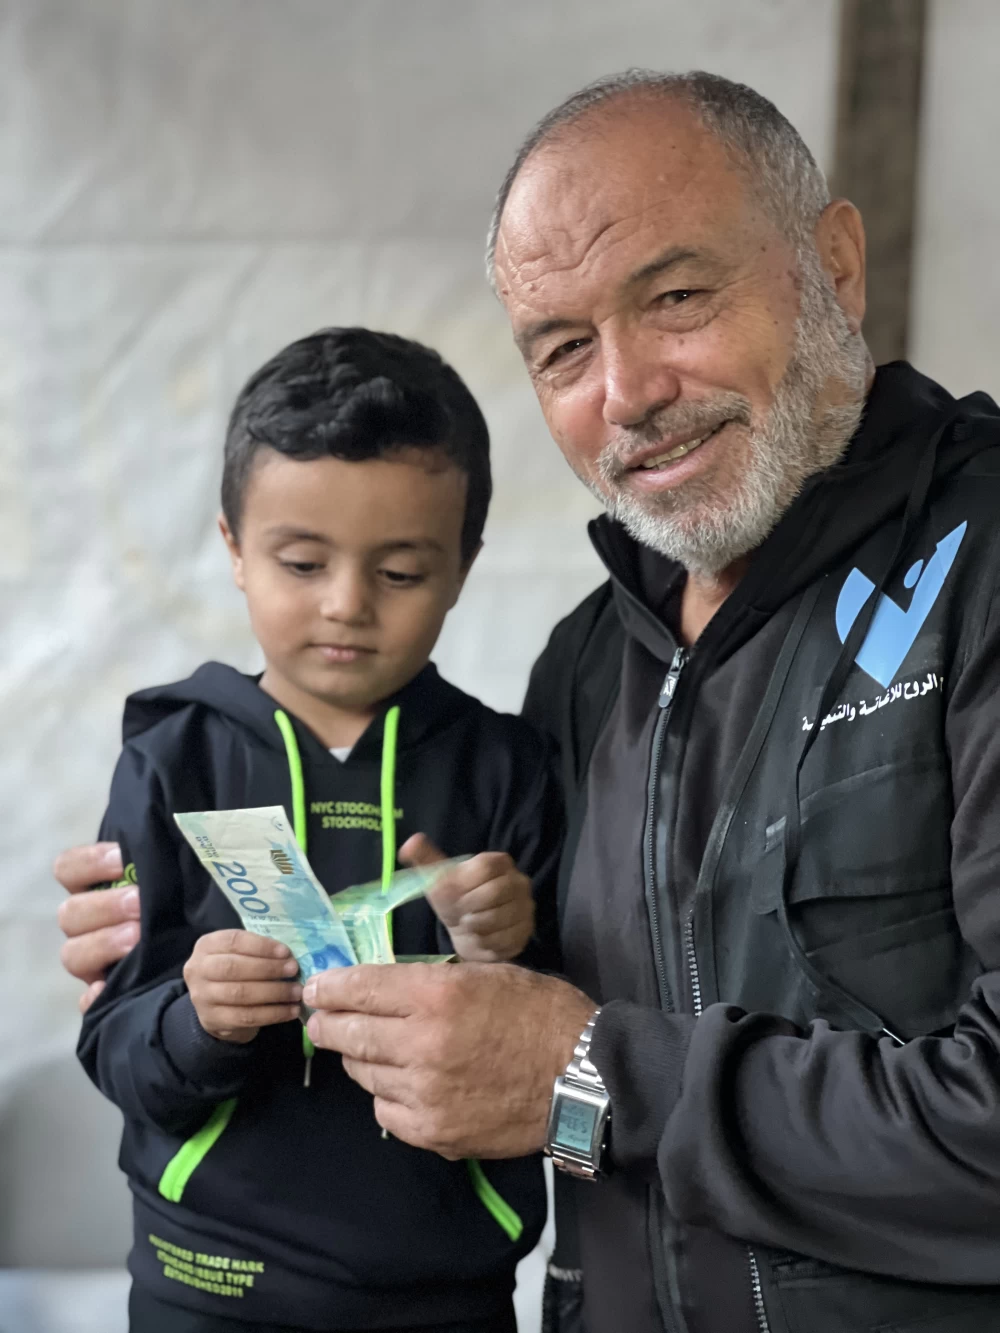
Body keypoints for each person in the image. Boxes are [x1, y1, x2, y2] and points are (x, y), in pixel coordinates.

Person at [56, 69, 1000, 1333]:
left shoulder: (981, 562)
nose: (626, 391)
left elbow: (575, 1073)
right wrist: (171, 994)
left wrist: (591, 1079)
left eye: (674, 297)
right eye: (562, 348)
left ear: (833, 264)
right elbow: (540, 1086)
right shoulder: (590, 665)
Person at [74, 327, 563, 1333]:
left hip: (446, 1294)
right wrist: (197, 1017)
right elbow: (113, 1042)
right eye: (302, 562)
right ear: (233, 548)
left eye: (400, 573)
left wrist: (503, 947)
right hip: (203, 1284)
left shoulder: (511, 767)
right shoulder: (167, 762)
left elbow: (576, 1027)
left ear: (464, 566)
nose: (346, 605)